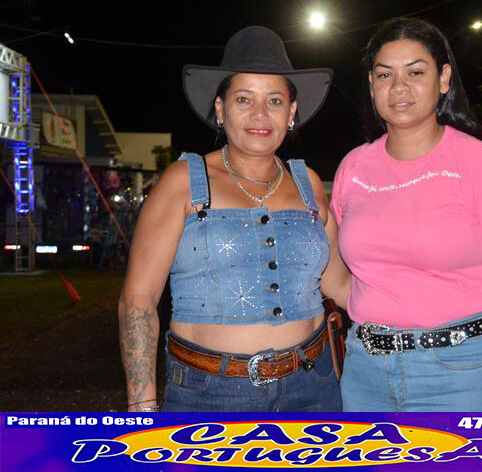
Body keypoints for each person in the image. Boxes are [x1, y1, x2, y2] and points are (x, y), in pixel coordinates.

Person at [329, 17, 482, 412]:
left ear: (444, 78)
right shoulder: (353, 167)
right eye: (384, 74)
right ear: (371, 84)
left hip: (462, 374)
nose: (399, 87)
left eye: (415, 72)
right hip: (365, 374)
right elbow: (338, 278)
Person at [118, 26, 347, 412]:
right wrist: (142, 407)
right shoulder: (183, 181)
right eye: (244, 98)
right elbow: (138, 300)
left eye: (275, 100)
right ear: (221, 109)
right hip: (209, 394)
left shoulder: (307, 182)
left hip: (314, 386)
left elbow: (340, 284)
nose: (260, 113)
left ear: (292, 112)